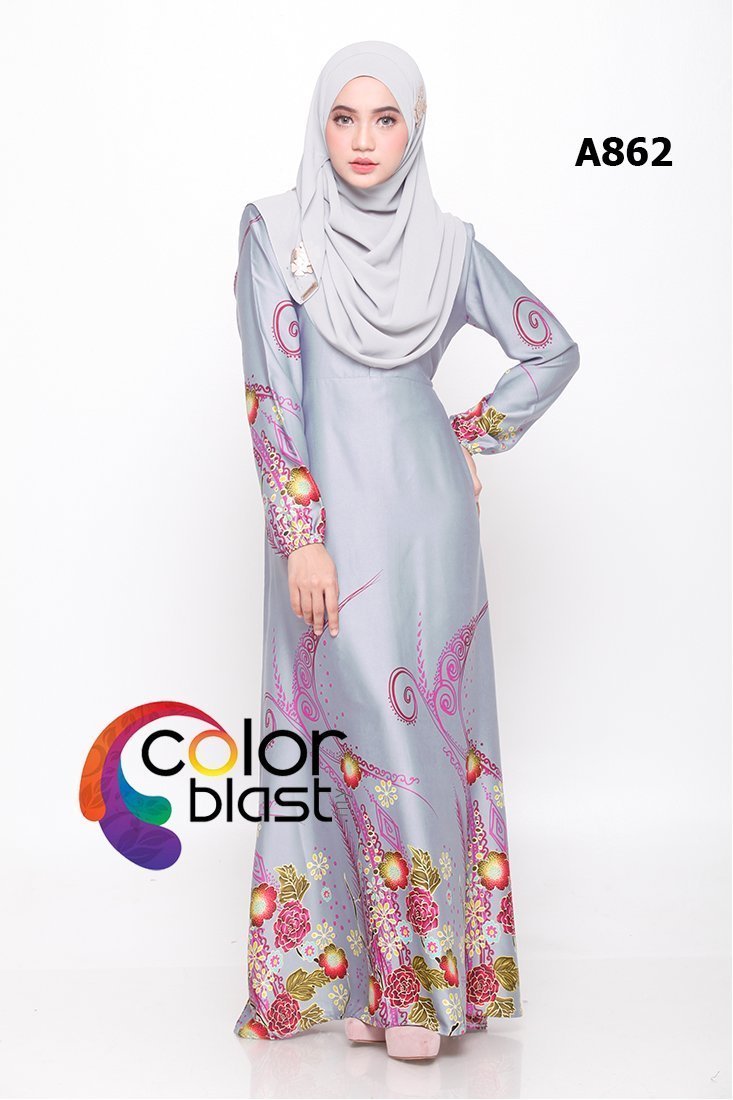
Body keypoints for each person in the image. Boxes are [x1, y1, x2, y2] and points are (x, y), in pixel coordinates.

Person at [232, 40, 580, 1061]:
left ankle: (417, 994)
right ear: (320, 124)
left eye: (386, 118)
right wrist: (301, 535)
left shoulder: (449, 246)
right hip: (324, 523)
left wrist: (469, 432)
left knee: (415, 738)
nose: (363, 139)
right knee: (342, 732)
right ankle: (360, 974)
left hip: (426, 518)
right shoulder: (275, 231)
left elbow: (551, 348)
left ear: (414, 129)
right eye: (344, 117)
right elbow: (271, 396)